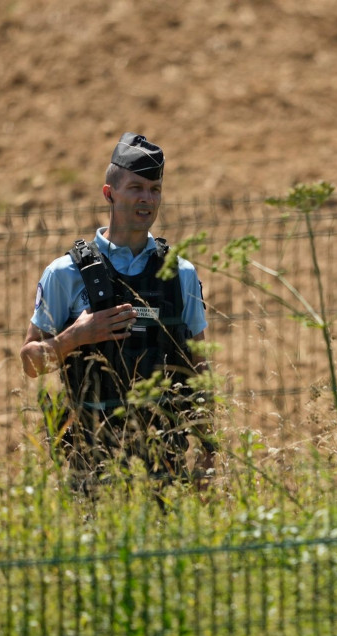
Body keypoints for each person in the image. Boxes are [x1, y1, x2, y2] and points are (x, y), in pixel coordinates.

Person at [20, 132, 215, 492]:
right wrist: (75, 337)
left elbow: (201, 369)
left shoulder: (180, 273)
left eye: (155, 189)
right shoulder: (64, 273)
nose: (147, 199)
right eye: (136, 187)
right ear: (109, 193)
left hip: (164, 461)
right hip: (89, 459)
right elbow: (30, 363)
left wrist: (208, 452)